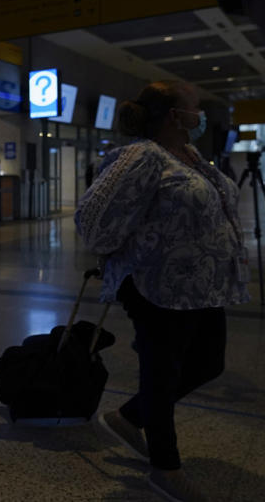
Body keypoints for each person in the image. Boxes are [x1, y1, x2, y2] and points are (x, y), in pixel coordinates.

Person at [75, 80, 248, 502]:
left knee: (207, 363)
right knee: (162, 372)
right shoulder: (141, 156)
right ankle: (165, 470)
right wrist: (125, 253)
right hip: (157, 286)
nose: (200, 113)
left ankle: (129, 417)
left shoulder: (188, 154)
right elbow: (93, 219)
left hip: (200, 287)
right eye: (195, 107)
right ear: (174, 115)